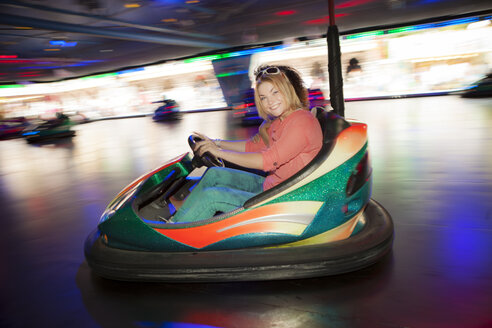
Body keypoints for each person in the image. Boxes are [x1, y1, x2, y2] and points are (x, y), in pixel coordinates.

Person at [171, 65, 323, 223]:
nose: (269, 102)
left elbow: (267, 161)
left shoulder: (301, 122)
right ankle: (184, 214)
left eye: (275, 92)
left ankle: (172, 235)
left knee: (212, 196)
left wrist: (219, 153)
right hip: (272, 185)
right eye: (263, 97)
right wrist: (216, 143)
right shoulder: (281, 120)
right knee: (215, 174)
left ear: (288, 89)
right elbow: (252, 147)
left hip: (286, 198)